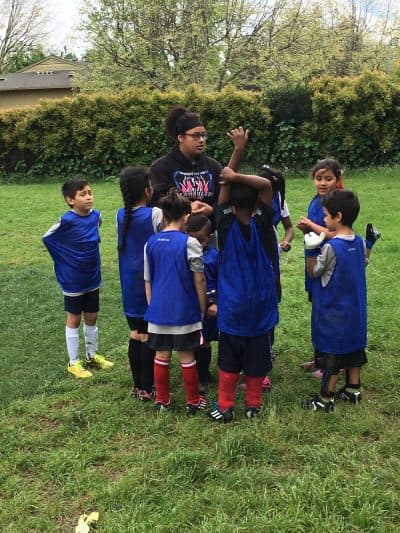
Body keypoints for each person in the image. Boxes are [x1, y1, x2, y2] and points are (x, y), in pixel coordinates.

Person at [207, 168, 279, 422]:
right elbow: (267, 186)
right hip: (260, 309)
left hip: (233, 310)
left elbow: (223, 194)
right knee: (257, 360)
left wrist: (232, 176)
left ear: (232, 207)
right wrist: (238, 178)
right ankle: (253, 406)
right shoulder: (264, 224)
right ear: (258, 202)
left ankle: (225, 406)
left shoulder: (225, 226)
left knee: (228, 362)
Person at [302, 189, 379, 411]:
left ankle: (325, 399)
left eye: (326, 215)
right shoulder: (360, 243)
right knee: (355, 351)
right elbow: (362, 263)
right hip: (356, 312)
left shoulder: (330, 247)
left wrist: (309, 250)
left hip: (334, 313)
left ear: (338, 217)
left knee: (332, 357)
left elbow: (314, 272)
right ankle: (353, 390)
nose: (324, 219)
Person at [144, 190, 208, 414]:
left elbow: (148, 280)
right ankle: (193, 401)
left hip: (158, 311)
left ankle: (162, 401)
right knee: (187, 355)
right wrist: (201, 307)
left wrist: (153, 306)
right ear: (186, 216)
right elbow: (199, 279)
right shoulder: (190, 243)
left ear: (163, 216)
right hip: (184, 310)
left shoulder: (150, 243)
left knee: (161, 355)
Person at [43, 179, 113, 378]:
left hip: (92, 276)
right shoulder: (66, 220)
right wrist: (65, 260)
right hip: (72, 279)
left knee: (92, 315)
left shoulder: (96, 217)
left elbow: (93, 234)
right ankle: (73, 362)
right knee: (74, 317)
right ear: (70, 199)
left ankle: (92, 356)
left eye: (90, 192)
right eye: (83, 194)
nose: (89, 197)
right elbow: (47, 237)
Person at [150, 105, 248, 223]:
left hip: (209, 236)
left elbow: (224, 200)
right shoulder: (161, 167)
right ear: (181, 137)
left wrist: (212, 210)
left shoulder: (213, 166)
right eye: (196, 136)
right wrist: (186, 209)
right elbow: (155, 207)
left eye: (203, 135)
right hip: (176, 235)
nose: (201, 140)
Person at [117, 166, 163, 400]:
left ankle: (138, 386)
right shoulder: (154, 214)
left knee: (135, 334)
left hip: (128, 284)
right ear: (147, 190)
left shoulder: (120, 214)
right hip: (149, 284)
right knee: (147, 336)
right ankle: (147, 387)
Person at [297, 158, 344, 375]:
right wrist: (306, 231)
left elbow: (337, 234)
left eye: (328, 178)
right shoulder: (316, 201)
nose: (323, 183)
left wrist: (311, 226)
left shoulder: (339, 204)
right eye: (318, 178)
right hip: (313, 264)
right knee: (317, 312)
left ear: (338, 180)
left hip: (329, 265)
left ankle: (334, 364)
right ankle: (319, 359)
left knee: (328, 315)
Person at [258, 164, 294, 374]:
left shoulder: (279, 200)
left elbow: (288, 228)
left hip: (272, 253)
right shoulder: (248, 200)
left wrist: (286, 240)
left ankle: (268, 346)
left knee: (272, 296)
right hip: (254, 252)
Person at [186, 214, 218, 395]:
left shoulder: (214, 256)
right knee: (192, 342)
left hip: (209, 308)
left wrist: (216, 303)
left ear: (210, 238)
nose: (196, 244)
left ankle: (203, 376)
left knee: (204, 342)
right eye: (191, 239)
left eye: (200, 240)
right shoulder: (184, 255)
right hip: (191, 306)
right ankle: (195, 373)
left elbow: (222, 281)